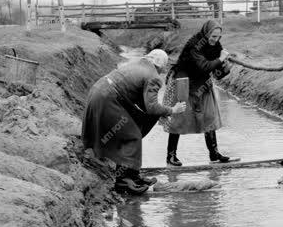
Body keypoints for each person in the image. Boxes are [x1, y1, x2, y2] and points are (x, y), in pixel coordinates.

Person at [82, 49, 186, 195]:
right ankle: (124, 182)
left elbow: (144, 104)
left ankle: (133, 176)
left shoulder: (139, 64)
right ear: (161, 65)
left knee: (134, 127)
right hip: (108, 98)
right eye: (164, 67)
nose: (163, 71)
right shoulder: (153, 76)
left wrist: (160, 112)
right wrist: (172, 110)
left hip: (100, 92)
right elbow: (151, 107)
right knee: (131, 136)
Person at [163, 19, 232, 166]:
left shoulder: (216, 46)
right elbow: (204, 66)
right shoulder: (195, 45)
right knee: (179, 118)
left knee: (209, 116)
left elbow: (217, 73)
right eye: (213, 36)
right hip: (184, 83)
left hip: (202, 84)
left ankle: (214, 154)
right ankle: (171, 156)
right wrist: (220, 59)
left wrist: (225, 67)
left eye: (218, 37)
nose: (216, 39)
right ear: (206, 33)